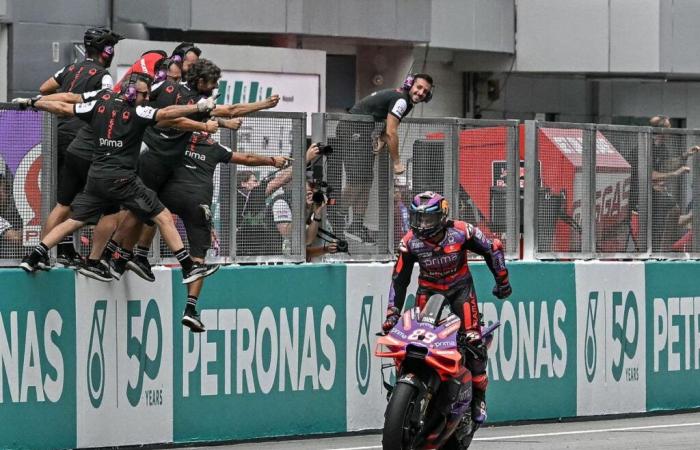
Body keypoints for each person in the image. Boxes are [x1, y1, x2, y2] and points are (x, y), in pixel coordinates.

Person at [19, 73, 220, 285]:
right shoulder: (138, 111)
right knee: (163, 217)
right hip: (123, 179)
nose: (147, 97)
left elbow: (63, 108)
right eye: (144, 94)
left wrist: (34, 102)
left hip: (96, 177)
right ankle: (189, 267)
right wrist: (198, 108)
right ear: (132, 92)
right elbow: (169, 113)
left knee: (74, 221)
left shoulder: (99, 104)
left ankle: (33, 257)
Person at [381, 191, 511, 425]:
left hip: (460, 290)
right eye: (417, 218)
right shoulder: (409, 242)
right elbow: (399, 279)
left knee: (473, 341)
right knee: (413, 341)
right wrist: (392, 312)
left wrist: (502, 282)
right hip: (428, 292)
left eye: (427, 219)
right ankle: (404, 388)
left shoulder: (462, 231)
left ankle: (479, 397)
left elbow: (493, 247)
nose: (421, 225)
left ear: (442, 217)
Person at [156, 129, 290, 331]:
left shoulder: (174, 138)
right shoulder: (213, 147)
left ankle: (137, 253)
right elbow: (247, 158)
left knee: (154, 214)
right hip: (197, 203)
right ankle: (190, 308)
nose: (211, 136)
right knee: (199, 257)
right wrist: (272, 160)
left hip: (170, 196)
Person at [36, 27, 123, 267]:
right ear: (106, 51)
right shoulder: (104, 75)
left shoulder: (70, 68)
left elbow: (44, 89)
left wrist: (65, 93)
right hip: (82, 138)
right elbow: (105, 104)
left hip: (58, 134)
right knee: (89, 200)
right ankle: (90, 255)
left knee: (62, 198)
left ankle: (49, 251)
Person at [327, 73, 433, 243]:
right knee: (356, 180)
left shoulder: (405, 101)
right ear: (410, 84)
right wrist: (397, 161)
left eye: (425, 91)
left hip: (363, 131)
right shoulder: (402, 100)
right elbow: (392, 131)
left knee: (366, 181)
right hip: (353, 129)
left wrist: (382, 139)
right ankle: (334, 216)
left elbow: (387, 129)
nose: (421, 93)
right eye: (419, 87)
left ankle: (356, 224)